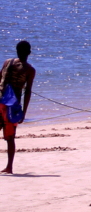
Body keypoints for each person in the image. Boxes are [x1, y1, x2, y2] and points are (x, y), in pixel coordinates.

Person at [1, 40, 36, 174]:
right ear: (29, 53)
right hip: (12, 106)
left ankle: (8, 167)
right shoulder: (30, 70)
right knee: (10, 138)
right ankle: (9, 167)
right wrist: (24, 113)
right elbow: (27, 92)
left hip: (0, 102)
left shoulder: (7, 62)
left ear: (16, 51)